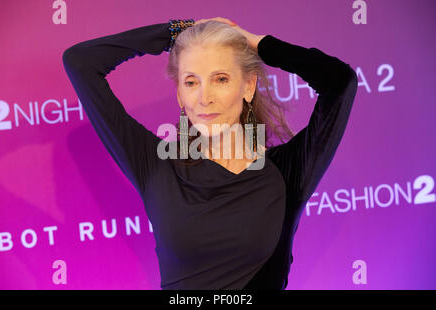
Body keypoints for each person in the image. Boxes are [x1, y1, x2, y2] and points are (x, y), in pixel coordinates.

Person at [62, 17, 358, 290]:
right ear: (179, 94)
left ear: (248, 85)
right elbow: (81, 62)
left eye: (221, 79)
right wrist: (177, 31)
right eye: (191, 82)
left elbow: (339, 82)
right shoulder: (156, 164)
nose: (205, 97)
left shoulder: (288, 170)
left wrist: (255, 42)